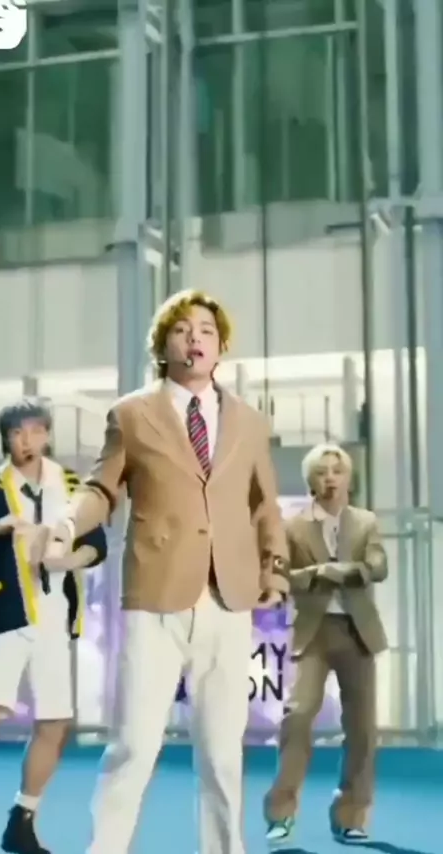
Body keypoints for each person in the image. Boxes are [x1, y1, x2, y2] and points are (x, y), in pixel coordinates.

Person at [41, 290, 290, 854]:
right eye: (181, 329)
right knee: (133, 744)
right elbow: (102, 489)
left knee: (223, 754)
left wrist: (274, 569)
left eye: (206, 330)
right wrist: (67, 523)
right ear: (163, 346)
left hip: (229, 598)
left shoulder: (250, 422)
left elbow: (264, 506)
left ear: (221, 347)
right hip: (154, 597)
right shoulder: (131, 414)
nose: (194, 338)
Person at [0, 399, 107, 854]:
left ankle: (22, 820)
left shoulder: (72, 486)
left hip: (55, 618)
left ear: (47, 434)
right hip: (0, 617)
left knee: (55, 721)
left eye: (36, 431)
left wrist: (68, 560)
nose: (27, 441)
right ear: (6, 438)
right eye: (17, 433)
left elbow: (96, 543)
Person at [264, 442, 388, 846]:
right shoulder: (292, 526)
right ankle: (281, 813)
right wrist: (318, 574)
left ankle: (351, 816)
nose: (331, 478)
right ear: (311, 480)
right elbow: (281, 576)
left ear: (349, 477)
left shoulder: (366, 522)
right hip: (311, 632)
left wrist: (345, 570)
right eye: (322, 471)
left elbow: (378, 566)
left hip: (358, 632)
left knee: (362, 729)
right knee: (298, 717)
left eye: (337, 470)